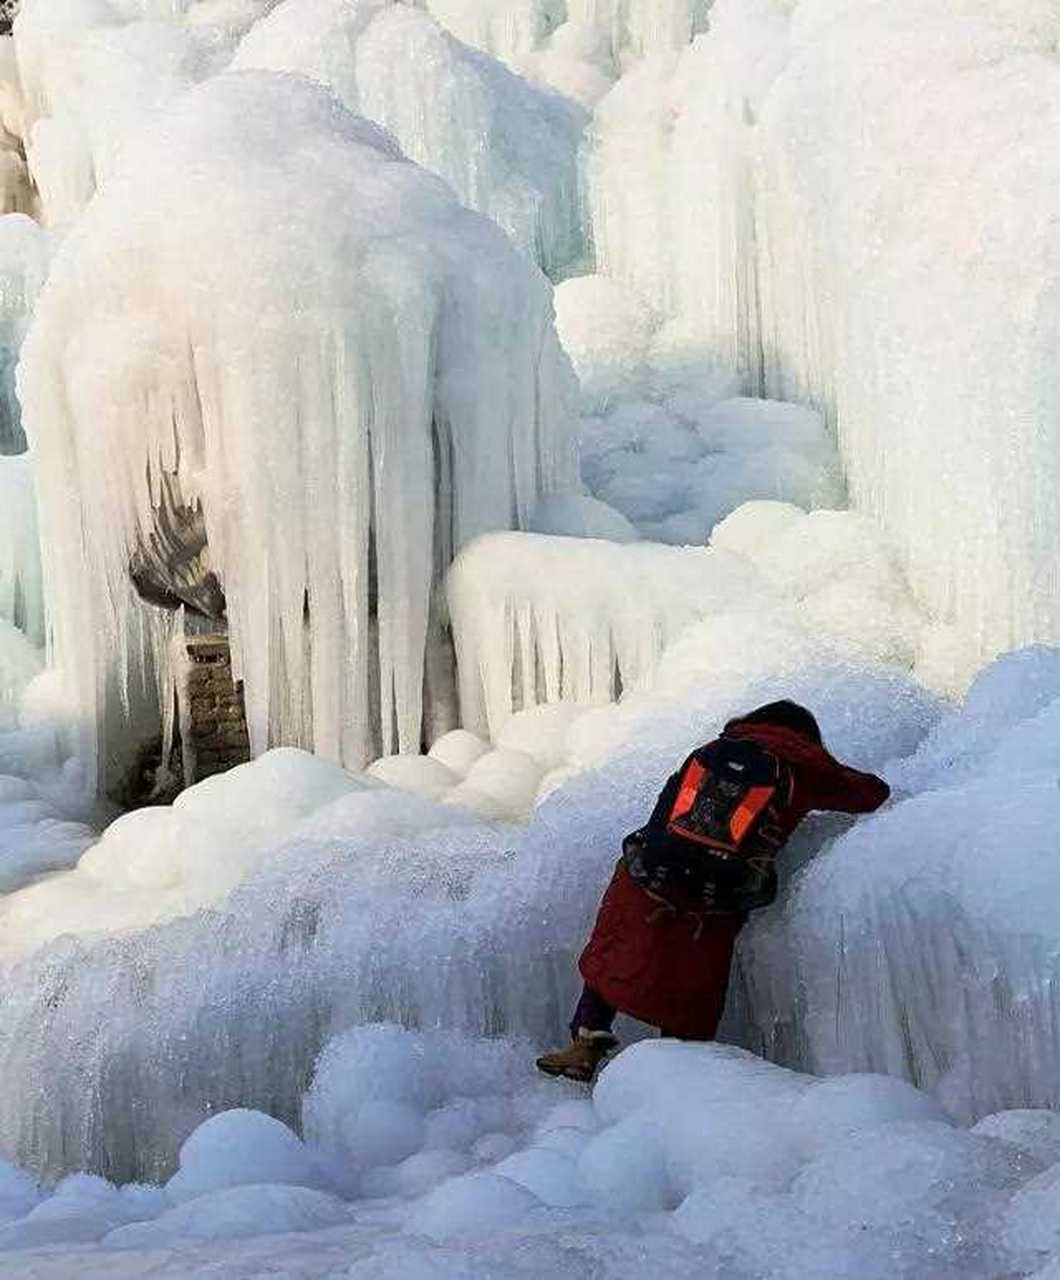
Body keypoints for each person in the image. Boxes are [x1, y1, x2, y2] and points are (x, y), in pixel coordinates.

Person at [536, 699, 890, 1083]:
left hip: (649, 878)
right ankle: (677, 1072)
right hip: (716, 898)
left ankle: (586, 1042)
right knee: (693, 989)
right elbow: (869, 795)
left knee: (615, 951)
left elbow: (664, 813)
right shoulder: (802, 768)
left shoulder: (709, 752)